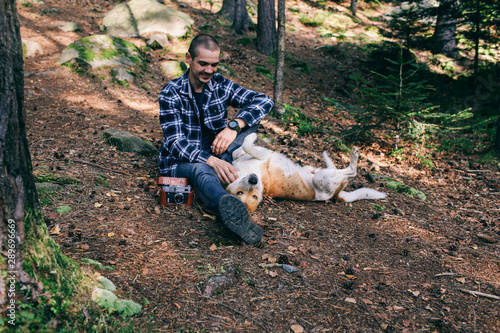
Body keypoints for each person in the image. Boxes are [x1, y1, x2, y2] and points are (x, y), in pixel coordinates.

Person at [158, 34, 274, 244]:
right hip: (182, 162)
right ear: (189, 59)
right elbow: (176, 143)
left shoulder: (220, 84)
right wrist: (210, 160)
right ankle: (228, 208)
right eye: (203, 63)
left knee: (250, 121)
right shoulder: (171, 93)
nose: (209, 71)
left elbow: (264, 100)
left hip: (220, 152)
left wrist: (234, 125)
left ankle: (221, 176)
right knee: (200, 170)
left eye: (214, 65)